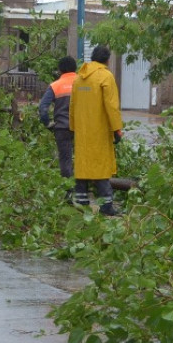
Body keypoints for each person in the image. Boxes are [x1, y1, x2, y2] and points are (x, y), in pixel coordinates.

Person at [69, 45, 124, 216]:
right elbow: (112, 106)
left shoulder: (79, 78)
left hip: (82, 131)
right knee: (100, 167)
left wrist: (73, 128)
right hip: (99, 131)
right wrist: (117, 129)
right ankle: (106, 205)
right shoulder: (105, 76)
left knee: (83, 165)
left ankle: (81, 202)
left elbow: (72, 105)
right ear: (107, 59)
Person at [38, 56, 78, 180]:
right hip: (82, 128)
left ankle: (68, 191)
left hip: (62, 128)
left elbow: (43, 108)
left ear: (60, 70)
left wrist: (48, 124)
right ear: (75, 68)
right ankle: (84, 189)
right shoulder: (83, 84)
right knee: (84, 158)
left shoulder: (55, 85)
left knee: (65, 159)